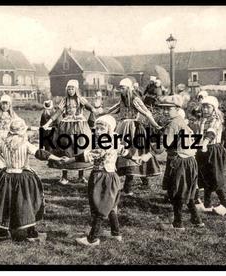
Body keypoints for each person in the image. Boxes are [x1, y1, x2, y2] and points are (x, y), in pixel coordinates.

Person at [0, 119, 65, 242]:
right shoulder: (25, 144)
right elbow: (40, 154)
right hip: (23, 178)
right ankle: (31, 232)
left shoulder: (3, 143)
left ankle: (3, 232)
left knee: (5, 203)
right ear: (22, 131)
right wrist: (58, 158)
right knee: (27, 202)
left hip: (6, 177)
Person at [62, 115, 136, 246]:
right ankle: (116, 233)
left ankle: (92, 238)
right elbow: (124, 151)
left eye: (102, 129)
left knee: (99, 207)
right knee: (112, 206)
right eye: (97, 128)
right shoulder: (114, 139)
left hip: (101, 177)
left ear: (109, 129)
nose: (98, 131)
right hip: (112, 176)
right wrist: (135, 158)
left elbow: (89, 155)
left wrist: (70, 159)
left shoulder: (105, 142)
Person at [139, 95, 204, 230]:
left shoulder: (173, 123)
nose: (164, 111)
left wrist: (148, 155)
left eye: (168, 109)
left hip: (179, 161)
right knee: (186, 191)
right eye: (163, 109)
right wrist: (149, 117)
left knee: (176, 192)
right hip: (189, 161)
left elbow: (163, 144)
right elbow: (164, 132)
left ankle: (178, 224)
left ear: (177, 108)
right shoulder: (178, 120)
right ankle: (196, 220)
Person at [100, 78, 162, 195]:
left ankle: (133, 184)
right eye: (120, 88)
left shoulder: (135, 99)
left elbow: (146, 112)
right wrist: (102, 112)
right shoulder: (123, 99)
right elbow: (114, 109)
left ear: (128, 88)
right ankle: (138, 182)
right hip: (123, 128)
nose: (120, 90)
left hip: (134, 128)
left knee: (135, 152)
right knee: (122, 153)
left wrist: (156, 125)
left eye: (122, 88)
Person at [41, 80, 95, 185]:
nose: (70, 91)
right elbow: (58, 113)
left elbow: (91, 108)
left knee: (80, 148)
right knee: (65, 149)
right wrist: (48, 123)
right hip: (66, 126)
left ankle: (81, 176)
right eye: (69, 88)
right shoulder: (64, 100)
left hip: (80, 126)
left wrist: (95, 110)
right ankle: (64, 176)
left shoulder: (81, 100)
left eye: (72, 88)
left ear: (76, 89)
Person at [195, 96, 226, 216]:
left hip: (213, 150)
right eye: (203, 107)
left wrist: (205, 143)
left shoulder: (216, 120)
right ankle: (207, 204)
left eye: (208, 107)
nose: (205, 109)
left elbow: (211, 132)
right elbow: (199, 133)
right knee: (205, 177)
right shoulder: (202, 120)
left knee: (214, 177)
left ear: (214, 108)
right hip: (202, 150)